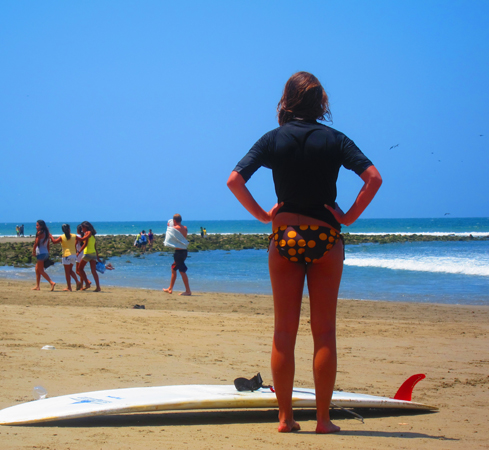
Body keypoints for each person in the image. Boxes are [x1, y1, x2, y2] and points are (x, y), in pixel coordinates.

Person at [227, 72, 382, 433]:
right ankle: (323, 421)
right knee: (324, 332)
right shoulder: (334, 139)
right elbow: (373, 178)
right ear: (320, 103)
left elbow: (235, 180)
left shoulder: (273, 139)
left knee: (284, 332)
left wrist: (264, 215)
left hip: (285, 236)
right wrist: (348, 216)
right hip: (326, 237)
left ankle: (285, 419)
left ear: (287, 100)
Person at [162, 214, 192, 296]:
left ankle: (188, 291)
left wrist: (169, 226)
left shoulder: (173, 229)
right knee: (173, 268)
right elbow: (181, 238)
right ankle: (170, 288)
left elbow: (169, 237)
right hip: (184, 251)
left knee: (182, 271)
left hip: (179, 253)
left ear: (174, 221)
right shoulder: (185, 228)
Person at [50, 224, 80, 292]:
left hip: (66, 255)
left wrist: (50, 236)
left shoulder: (62, 237)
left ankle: (69, 287)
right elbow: (82, 239)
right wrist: (87, 236)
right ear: (69, 229)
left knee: (67, 272)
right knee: (70, 270)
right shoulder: (74, 236)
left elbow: (54, 242)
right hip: (73, 255)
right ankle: (77, 282)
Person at [76, 221, 102, 292]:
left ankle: (87, 283)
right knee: (93, 271)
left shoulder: (88, 233)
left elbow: (85, 244)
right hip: (93, 253)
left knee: (80, 269)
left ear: (85, 227)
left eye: (82, 228)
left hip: (88, 253)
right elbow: (95, 247)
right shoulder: (93, 236)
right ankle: (98, 287)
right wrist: (98, 257)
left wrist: (78, 251)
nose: (81, 229)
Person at [31, 220, 55, 291]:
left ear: (41, 226)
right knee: (37, 269)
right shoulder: (47, 233)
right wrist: (48, 253)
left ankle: (51, 282)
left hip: (40, 253)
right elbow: (48, 245)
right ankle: (37, 286)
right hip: (45, 253)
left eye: (37, 225)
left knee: (40, 270)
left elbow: (36, 243)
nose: (36, 227)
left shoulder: (39, 233)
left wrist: (33, 251)